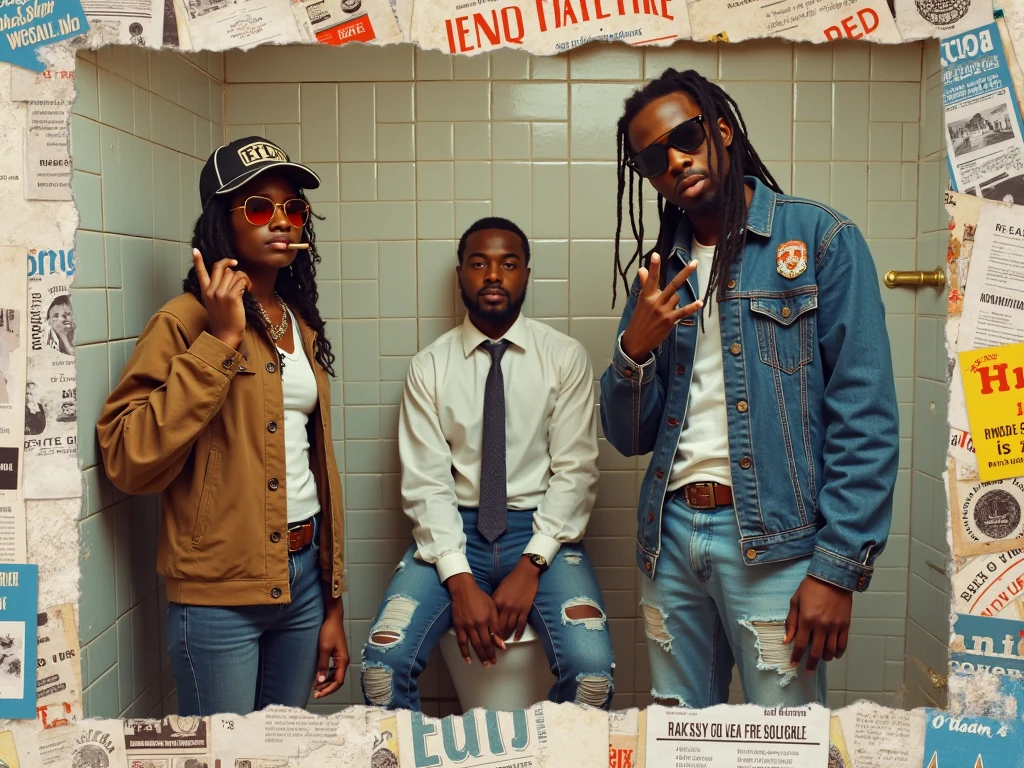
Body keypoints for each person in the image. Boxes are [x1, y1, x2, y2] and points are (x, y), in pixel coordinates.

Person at [600, 69, 900, 708]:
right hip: (672, 537)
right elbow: (628, 438)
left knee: (782, 743)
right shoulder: (661, 278)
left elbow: (864, 415)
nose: (676, 160)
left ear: (723, 131)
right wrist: (634, 350)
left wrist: (837, 568)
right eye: (654, 158)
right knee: (682, 742)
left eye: (686, 137)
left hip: (777, 544)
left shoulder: (820, 240)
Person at [97, 137, 348, 716]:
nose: (281, 222)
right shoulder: (184, 323)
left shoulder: (298, 319)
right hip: (218, 595)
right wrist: (222, 341)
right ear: (220, 221)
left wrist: (333, 603)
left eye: (294, 209)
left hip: (304, 578)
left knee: (281, 753)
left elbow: (315, 466)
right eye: (260, 208)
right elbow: (128, 458)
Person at [361, 217, 615, 711]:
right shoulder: (429, 367)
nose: (493, 275)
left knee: (591, 677)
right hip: (454, 532)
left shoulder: (564, 358)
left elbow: (576, 471)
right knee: (379, 672)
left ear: (525, 275)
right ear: (460, 275)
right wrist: (458, 580)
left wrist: (532, 564)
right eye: (479, 263)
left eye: (508, 264)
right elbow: (426, 484)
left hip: (541, 532)